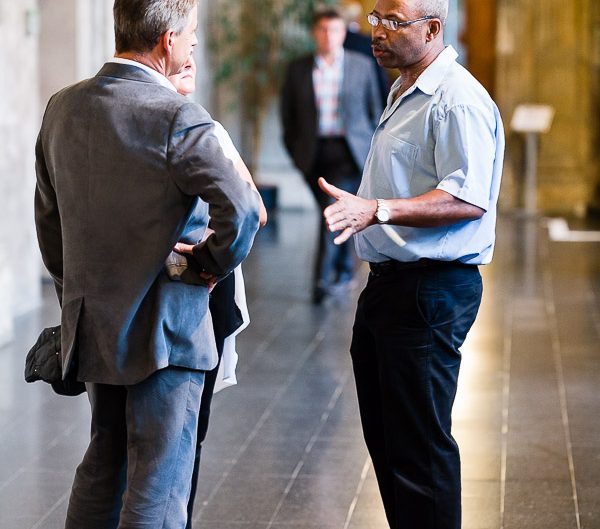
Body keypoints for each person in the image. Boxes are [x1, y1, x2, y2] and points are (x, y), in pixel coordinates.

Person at [34, 1, 261, 527]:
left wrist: (77, 294)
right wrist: (208, 264)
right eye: (192, 34)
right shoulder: (177, 116)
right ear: (167, 41)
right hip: (167, 327)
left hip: (94, 324)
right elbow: (245, 209)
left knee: (102, 466)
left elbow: (50, 225)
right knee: (158, 485)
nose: (194, 44)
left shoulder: (62, 107)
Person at [319, 0, 505, 527]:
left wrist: (377, 209)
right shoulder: (406, 88)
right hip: (390, 285)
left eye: (394, 22)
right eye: (375, 19)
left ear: (432, 28)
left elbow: (466, 198)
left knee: (420, 451)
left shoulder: (456, 99)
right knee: (389, 440)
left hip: (430, 289)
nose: (377, 32)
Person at [167, 56, 267, 529]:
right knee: (181, 432)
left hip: (200, 285)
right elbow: (252, 213)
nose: (189, 61)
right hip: (191, 284)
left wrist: (207, 253)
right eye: (182, 50)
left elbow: (255, 210)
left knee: (182, 430)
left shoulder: (207, 130)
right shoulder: (191, 128)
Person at [280, 8, 383, 304]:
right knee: (333, 213)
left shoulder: (362, 65)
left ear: (343, 33)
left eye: (335, 30)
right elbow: (289, 117)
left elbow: (376, 111)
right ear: (315, 33)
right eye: (323, 30)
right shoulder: (298, 69)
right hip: (313, 153)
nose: (329, 36)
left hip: (349, 152)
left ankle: (321, 281)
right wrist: (296, 154)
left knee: (331, 212)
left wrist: (371, 150)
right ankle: (345, 269)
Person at [340, 1, 390, 104]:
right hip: (366, 91)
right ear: (357, 18)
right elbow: (378, 73)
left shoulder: (337, 41)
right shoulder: (367, 41)